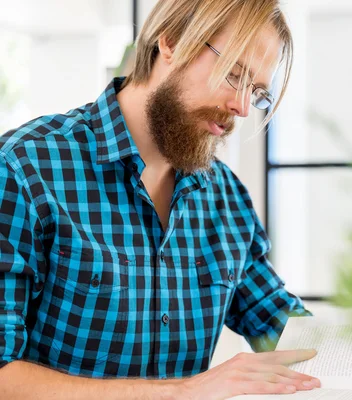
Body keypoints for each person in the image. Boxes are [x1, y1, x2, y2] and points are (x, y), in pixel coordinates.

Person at [0, 0, 321, 398]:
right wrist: (184, 391)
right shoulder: (24, 168)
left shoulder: (225, 197)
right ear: (170, 42)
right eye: (233, 75)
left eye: (255, 93)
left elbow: (284, 327)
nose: (240, 106)